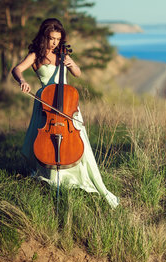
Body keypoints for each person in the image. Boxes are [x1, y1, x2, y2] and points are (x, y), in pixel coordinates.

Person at [12, 18, 119, 208]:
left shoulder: (63, 54)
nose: (55, 42)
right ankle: (52, 178)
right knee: (47, 142)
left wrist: (70, 64)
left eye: (58, 39)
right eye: (52, 38)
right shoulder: (36, 54)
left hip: (67, 105)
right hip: (47, 104)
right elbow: (17, 69)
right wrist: (22, 80)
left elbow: (77, 74)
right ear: (45, 36)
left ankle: (83, 179)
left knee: (80, 143)